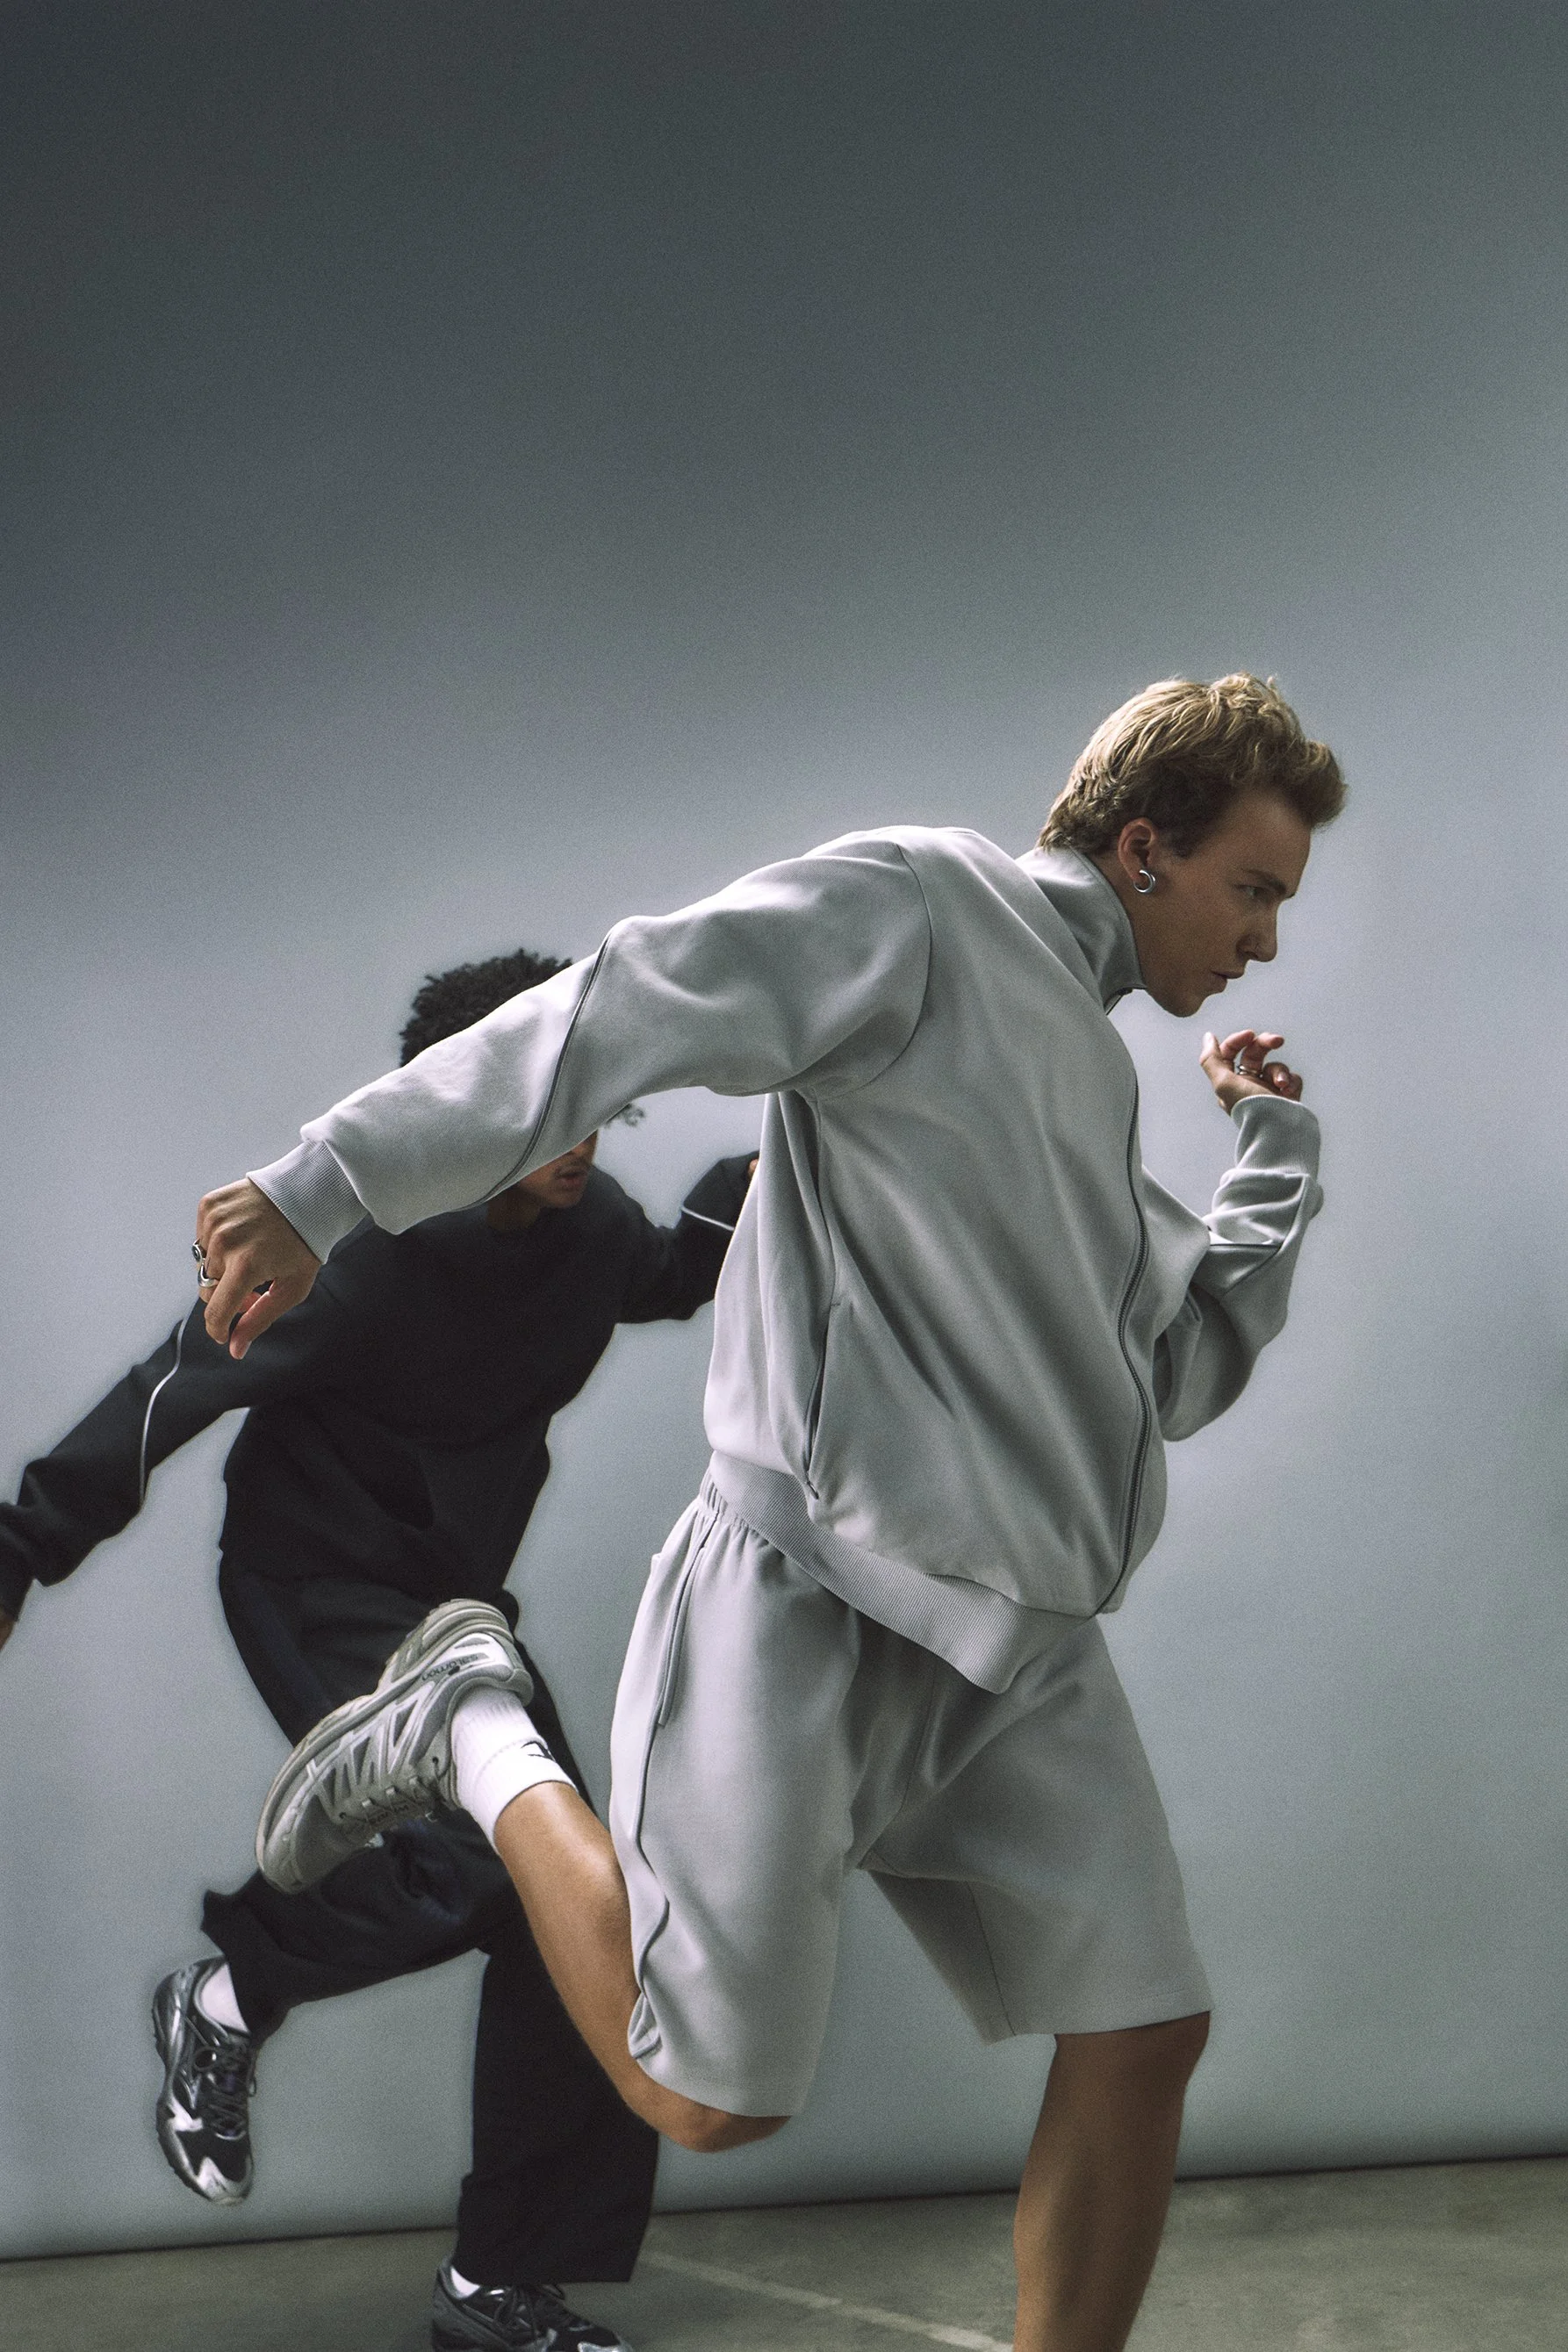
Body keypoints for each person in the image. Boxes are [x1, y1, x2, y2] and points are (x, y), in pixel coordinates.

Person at [195, 675, 1344, 2352]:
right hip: (809, 1602)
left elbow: (1168, 1375)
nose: (1262, 940)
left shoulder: (1090, 1097)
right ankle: (468, 1728)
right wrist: (326, 1183)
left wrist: (1274, 1157)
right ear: (1144, 845)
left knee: (1143, 2029)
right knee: (701, 2098)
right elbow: (624, 1003)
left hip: (1021, 1648)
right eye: (1250, 888)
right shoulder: (924, 908)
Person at [1, 946, 753, 2352]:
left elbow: (662, 1272)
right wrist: (22, 1544)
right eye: (543, 1103)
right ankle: (233, 1990)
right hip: (316, 1585)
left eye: (592, 1096)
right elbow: (174, 1386)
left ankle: (498, 2281)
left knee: (576, 1904)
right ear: (464, 1104)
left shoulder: (591, 1232)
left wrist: (774, 1175)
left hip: (453, 1608)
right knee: (483, 1867)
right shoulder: (359, 1253)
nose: (580, 1135)